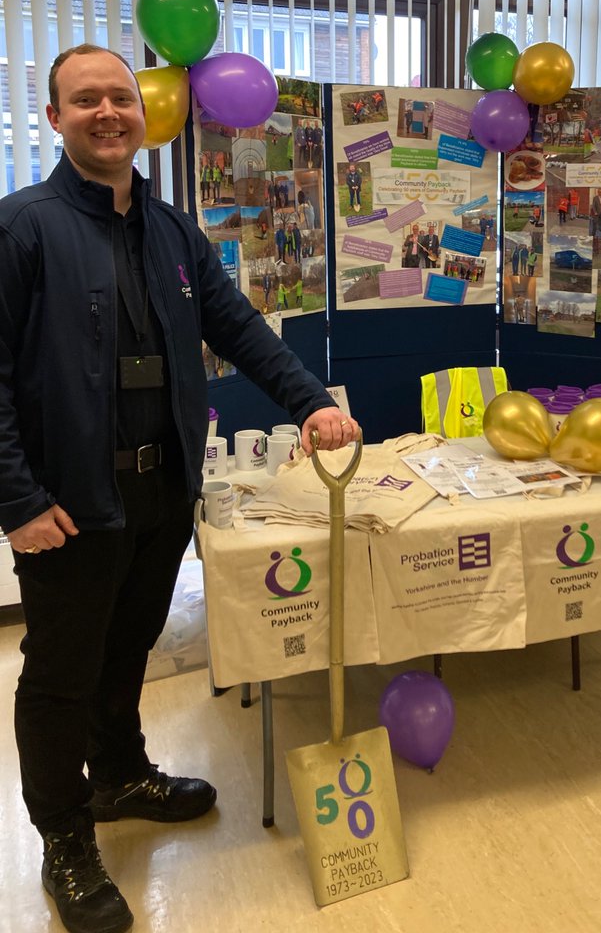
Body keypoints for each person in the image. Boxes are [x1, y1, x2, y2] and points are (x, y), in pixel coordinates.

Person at [0, 45, 360, 933]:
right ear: (55, 119)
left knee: (127, 650)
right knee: (58, 678)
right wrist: (14, 502)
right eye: (86, 101)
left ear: (144, 113)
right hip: (68, 507)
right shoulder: (22, 228)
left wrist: (312, 403)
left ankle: (119, 774)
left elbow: (236, 326)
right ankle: (64, 837)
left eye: (120, 97)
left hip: (162, 495)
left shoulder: (170, 231)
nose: (108, 113)